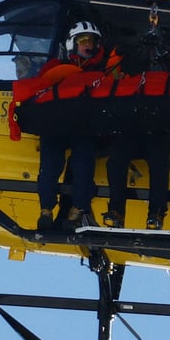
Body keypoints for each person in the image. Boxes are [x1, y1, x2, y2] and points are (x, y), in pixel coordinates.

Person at [103, 31, 170, 230]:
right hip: (132, 126)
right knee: (116, 159)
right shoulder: (130, 71)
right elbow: (109, 75)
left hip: (159, 127)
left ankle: (156, 213)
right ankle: (116, 211)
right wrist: (121, 50)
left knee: (159, 161)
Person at [36, 21, 107, 231]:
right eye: (83, 41)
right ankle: (46, 210)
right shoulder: (54, 68)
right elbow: (40, 88)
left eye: (92, 42)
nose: (88, 45)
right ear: (72, 44)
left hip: (83, 125)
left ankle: (78, 209)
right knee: (49, 166)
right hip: (56, 124)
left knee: (83, 165)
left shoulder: (101, 71)